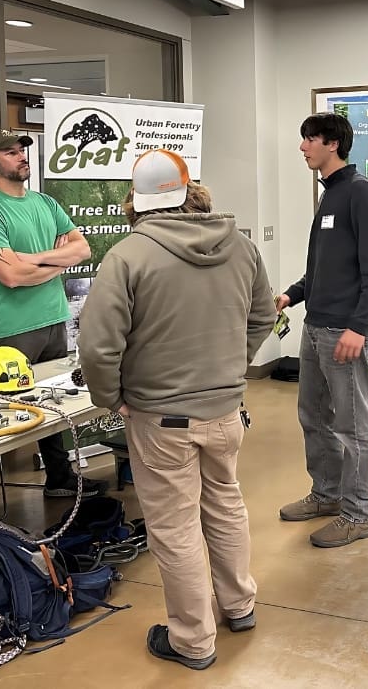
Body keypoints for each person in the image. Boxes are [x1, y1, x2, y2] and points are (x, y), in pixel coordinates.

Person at [80, 149, 275, 670]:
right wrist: (234, 369)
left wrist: (110, 396)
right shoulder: (241, 247)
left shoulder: (128, 256)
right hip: (226, 409)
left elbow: (98, 348)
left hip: (160, 418)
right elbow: (262, 317)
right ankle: (240, 605)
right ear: (191, 191)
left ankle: (192, 640)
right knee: (225, 505)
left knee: (175, 525)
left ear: (137, 202)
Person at [0, 129, 106, 512]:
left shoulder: (45, 202)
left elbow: (81, 248)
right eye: (10, 152)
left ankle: (59, 479)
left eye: (22, 151)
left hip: (53, 319)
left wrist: (30, 259)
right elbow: (9, 277)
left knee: (56, 402)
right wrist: (53, 262)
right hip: (12, 329)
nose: (21, 157)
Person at [275, 113, 368, 548]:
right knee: (313, 416)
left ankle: (359, 514)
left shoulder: (360, 195)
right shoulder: (330, 197)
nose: (303, 147)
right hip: (315, 327)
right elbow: (324, 269)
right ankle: (327, 494)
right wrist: (291, 294)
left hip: (344, 332)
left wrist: (358, 327)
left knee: (353, 426)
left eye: (309, 139)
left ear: (332, 144)